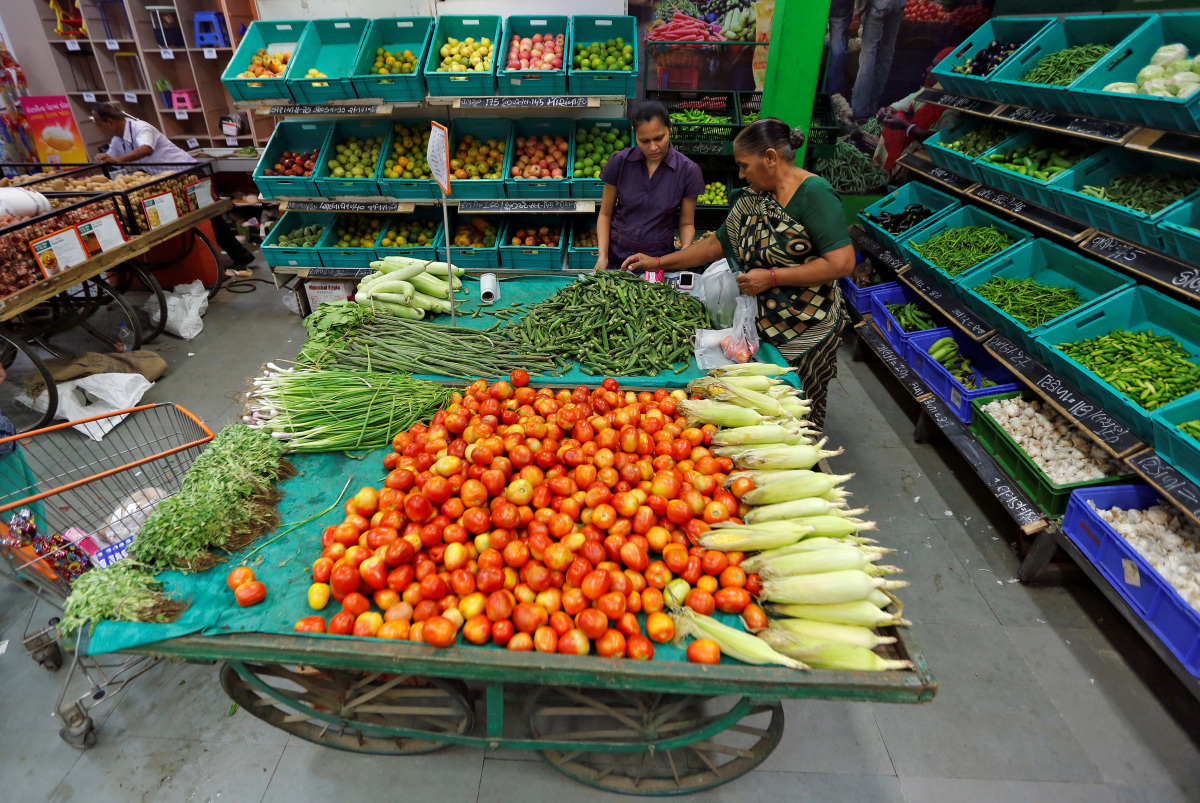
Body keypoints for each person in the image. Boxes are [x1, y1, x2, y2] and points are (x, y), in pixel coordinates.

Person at [623, 119, 854, 427]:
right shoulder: (751, 200)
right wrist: (659, 262)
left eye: (745, 166)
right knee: (762, 402)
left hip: (806, 327)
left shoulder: (814, 195)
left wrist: (771, 278)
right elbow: (716, 244)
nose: (741, 174)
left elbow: (841, 264)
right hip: (763, 325)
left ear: (770, 158)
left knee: (796, 408)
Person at [89, 104, 254, 269]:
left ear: (109, 121)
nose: (99, 128)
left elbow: (146, 149)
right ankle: (214, 261)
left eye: (98, 123)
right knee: (194, 218)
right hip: (170, 182)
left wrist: (117, 160)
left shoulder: (141, 128)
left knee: (211, 216)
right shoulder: (119, 141)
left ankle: (241, 256)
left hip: (190, 174)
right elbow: (110, 159)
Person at [595, 101, 704, 273]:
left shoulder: (688, 171)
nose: (653, 147)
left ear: (670, 128)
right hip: (617, 257)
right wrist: (602, 256)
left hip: (660, 260)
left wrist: (685, 253)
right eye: (644, 141)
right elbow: (605, 214)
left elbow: (686, 223)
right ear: (634, 134)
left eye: (659, 138)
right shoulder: (619, 162)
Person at [850, 0, 907, 120]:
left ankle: (860, 110)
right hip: (899, 4)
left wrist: (857, 12)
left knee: (868, 54)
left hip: (879, 5)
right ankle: (872, 107)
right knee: (887, 53)